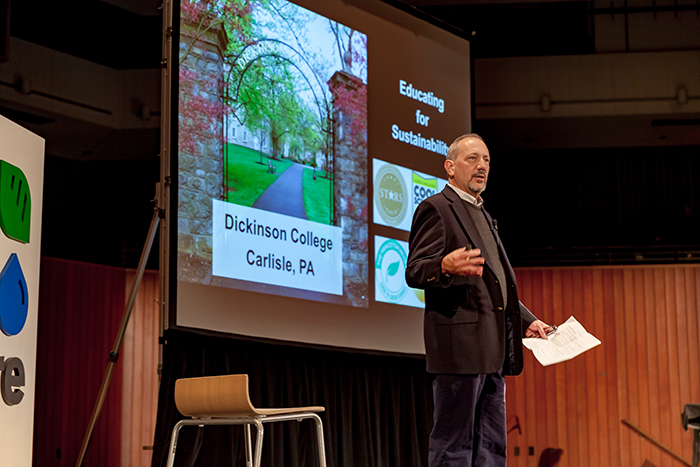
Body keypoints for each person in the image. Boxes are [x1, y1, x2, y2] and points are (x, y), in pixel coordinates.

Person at [405, 133, 552, 467]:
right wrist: (442, 265)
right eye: (472, 158)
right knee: (453, 447)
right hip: (458, 350)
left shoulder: (484, 215)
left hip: (492, 351)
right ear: (450, 167)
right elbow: (414, 271)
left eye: (486, 160)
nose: (482, 166)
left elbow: (496, 285)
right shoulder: (436, 209)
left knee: (491, 449)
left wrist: (529, 322)